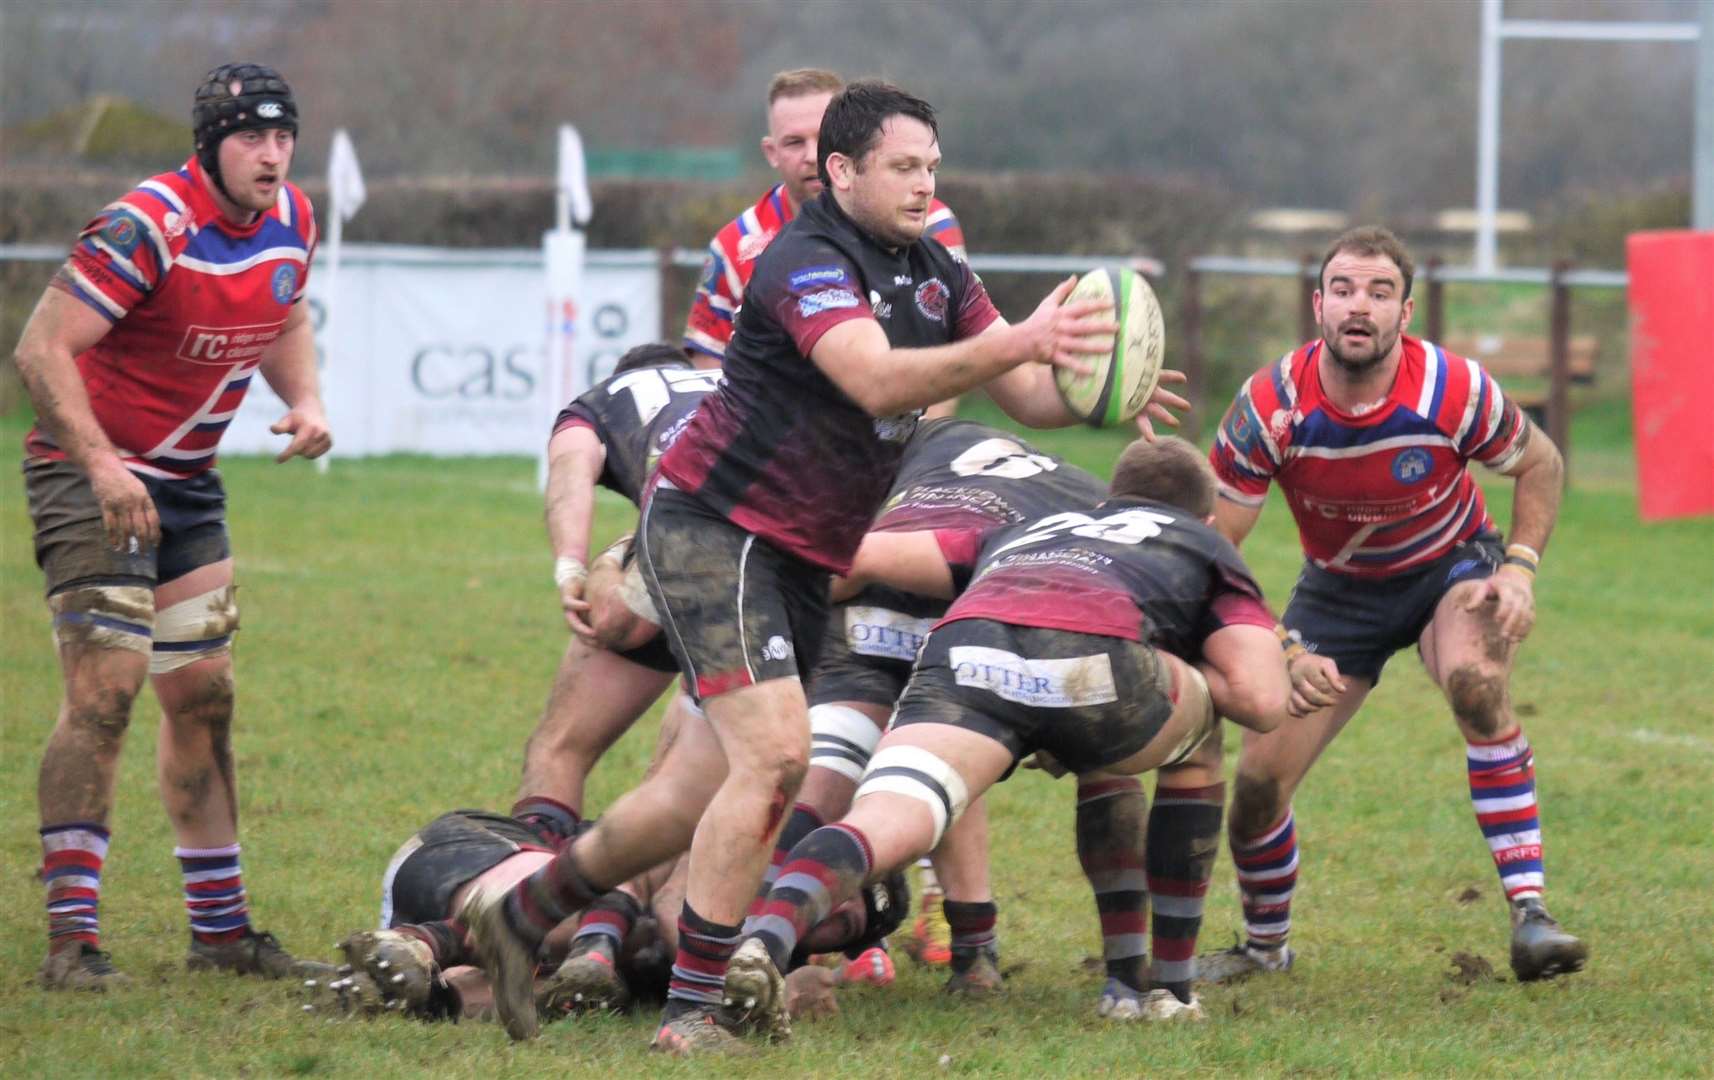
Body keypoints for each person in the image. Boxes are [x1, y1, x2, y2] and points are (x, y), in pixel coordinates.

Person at [463, 80, 1186, 1053]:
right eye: (902, 167)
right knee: (776, 762)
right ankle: (693, 1010)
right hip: (715, 528)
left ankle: (516, 920)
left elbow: (1019, 389)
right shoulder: (803, 260)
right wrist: (1018, 337)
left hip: (803, 555)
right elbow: (875, 376)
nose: (924, 184)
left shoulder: (935, 269)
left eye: (931, 166)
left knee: (688, 796)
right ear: (840, 172)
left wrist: (1095, 384)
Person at [721, 436, 1290, 1041]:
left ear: (1114, 495)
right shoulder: (1206, 545)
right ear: (1205, 517)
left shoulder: (1034, 526)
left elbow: (858, 559)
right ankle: (1160, 988)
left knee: (889, 817)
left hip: (969, 646)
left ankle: (760, 942)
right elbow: (1261, 699)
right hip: (1095, 660)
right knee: (1195, 738)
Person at [14, 62, 330, 991]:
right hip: (88, 474)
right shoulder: (147, 223)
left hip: (186, 484)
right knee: (105, 691)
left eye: (282, 136)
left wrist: (306, 398)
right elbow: (40, 349)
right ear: (210, 144)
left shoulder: (293, 220)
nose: (270, 155)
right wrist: (104, 464)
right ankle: (71, 942)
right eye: (250, 138)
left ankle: (222, 934)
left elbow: (285, 309)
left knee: (204, 695)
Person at [1202, 225, 1585, 985]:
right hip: (1338, 597)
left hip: (1451, 566)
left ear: (1405, 314)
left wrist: (1519, 570)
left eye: (1380, 293)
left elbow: (1540, 461)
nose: (1360, 306)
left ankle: (1531, 916)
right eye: (1343, 288)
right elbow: (1214, 549)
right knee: (1254, 789)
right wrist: (1282, 646)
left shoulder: (1452, 388)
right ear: (1317, 305)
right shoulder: (1271, 405)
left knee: (1479, 686)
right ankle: (1264, 948)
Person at [771, 416, 1114, 995]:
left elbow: (853, 557)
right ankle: (992, 954)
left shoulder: (915, 458)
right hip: (1000, 599)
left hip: (942, 587)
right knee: (946, 751)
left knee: (854, 769)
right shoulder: (1098, 511)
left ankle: (756, 935)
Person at [512, 341, 720, 843]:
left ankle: (527, 875)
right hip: (811, 542)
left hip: (698, 528)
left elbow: (569, 475)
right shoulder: (727, 381)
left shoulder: (602, 401)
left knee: (560, 746)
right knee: (714, 765)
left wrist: (574, 566)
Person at [682, 68, 966, 369]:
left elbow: (953, 358)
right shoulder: (737, 244)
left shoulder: (928, 223)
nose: (812, 154)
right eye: (794, 142)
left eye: (823, 136)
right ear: (771, 152)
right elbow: (709, 370)